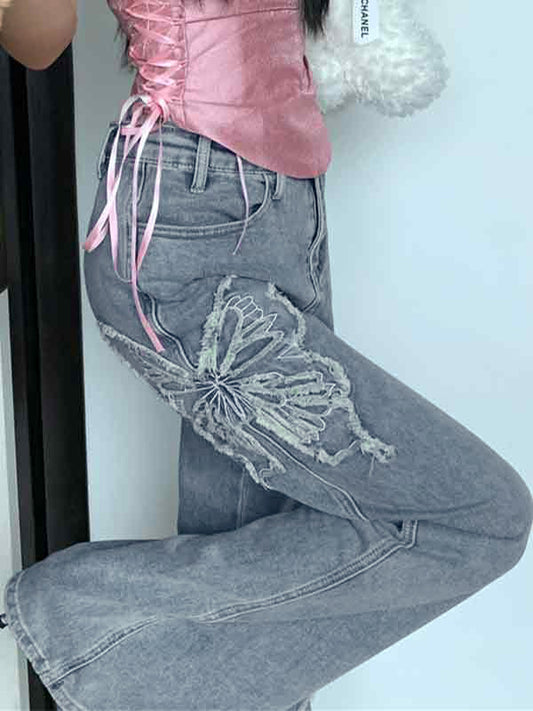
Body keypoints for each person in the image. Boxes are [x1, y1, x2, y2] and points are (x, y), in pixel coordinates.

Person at [1, 2, 532, 710]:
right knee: (477, 516)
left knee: (263, 590)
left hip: (291, 210)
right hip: (182, 217)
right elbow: (37, 43)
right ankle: (73, 609)